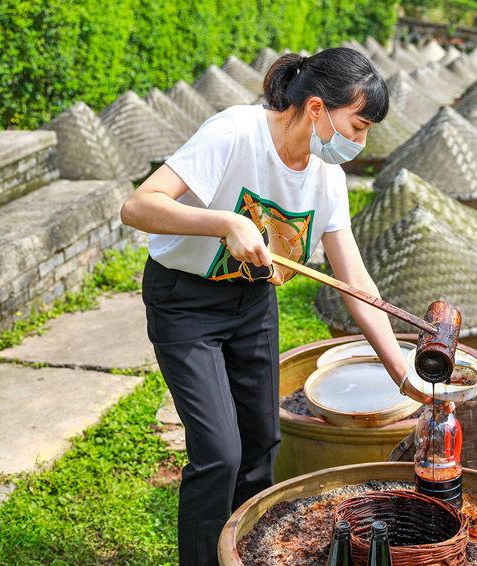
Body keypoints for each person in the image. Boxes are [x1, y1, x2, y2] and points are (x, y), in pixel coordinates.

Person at [120, 47, 429, 566]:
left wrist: (405, 375)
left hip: (253, 302)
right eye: (357, 126)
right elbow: (138, 206)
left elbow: (356, 283)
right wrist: (226, 223)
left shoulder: (327, 175)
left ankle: (241, 553)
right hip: (186, 302)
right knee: (219, 453)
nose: (361, 142)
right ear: (315, 109)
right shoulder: (235, 132)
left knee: (262, 442)